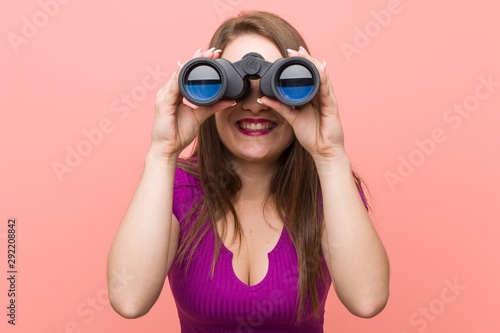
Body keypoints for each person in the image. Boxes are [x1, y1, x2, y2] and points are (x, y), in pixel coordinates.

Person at [107, 11, 390, 332]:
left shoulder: (328, 190)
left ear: (308, 91)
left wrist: (330, 155)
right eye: (235, 86)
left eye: (279, 82)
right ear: (207, 90)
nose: (255, 105)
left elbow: (367, 300)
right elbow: (129, 299)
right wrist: (162, 152)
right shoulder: (175, 189)